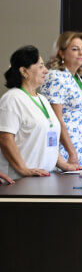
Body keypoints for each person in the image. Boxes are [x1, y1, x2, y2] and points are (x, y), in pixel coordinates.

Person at [0, 45, 77, 178]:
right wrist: (23, 169)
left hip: (45, 176)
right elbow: (5, 138)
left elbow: (49, 140)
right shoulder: (12, 99)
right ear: (24, 71)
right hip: (19, 179)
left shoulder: (42, 99)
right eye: (40, 66)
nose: (46, 71)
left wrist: (63, 164)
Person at [42, 31, 82, 168]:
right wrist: (71, 151)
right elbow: (56, 119)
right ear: (61, 53)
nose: (81, 53)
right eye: (75, 49)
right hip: (65, 150)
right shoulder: (55, 77)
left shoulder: (77, 77)